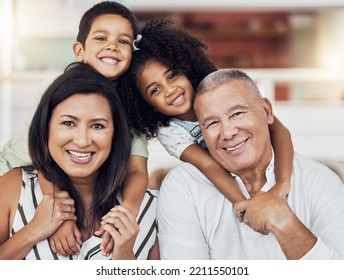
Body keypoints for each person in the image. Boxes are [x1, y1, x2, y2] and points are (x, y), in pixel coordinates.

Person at [0, 1, 149, 256]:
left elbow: (136, 169)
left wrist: (127, 214)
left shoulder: (133, 104)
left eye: (123, 41)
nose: (112, 45)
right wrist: (61, 214)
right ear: (79, 50)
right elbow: (43, 152)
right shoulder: (56, 85)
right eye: (101, 37)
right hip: (21, 169)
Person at [157, 68, 344, 259]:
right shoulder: (183, 187)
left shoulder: (321, 182)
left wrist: (284, 223)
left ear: (266, 112)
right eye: (212, 123)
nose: (228, 132)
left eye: (237, 113)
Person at [117, 19, 293, 219]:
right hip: (229, 188)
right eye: (155, 90)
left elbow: (279, 131)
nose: (170, 90)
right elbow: (209, 166)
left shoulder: (220, 89)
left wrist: (282, 183)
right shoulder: (171, 132)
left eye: (172, 75)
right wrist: (243, 204)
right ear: (146, 104)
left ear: (187, 68)